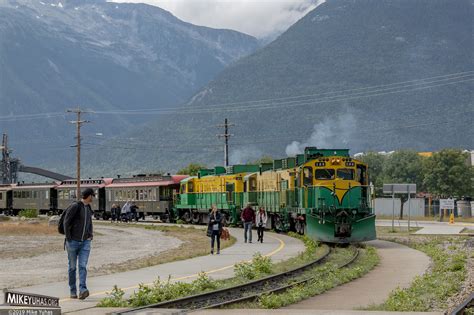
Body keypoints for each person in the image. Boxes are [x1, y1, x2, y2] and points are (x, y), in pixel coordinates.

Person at [63, 188, 95, 300]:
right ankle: (73, 291)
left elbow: (89, 222)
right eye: (92, 196)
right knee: (72, 267)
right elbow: (66, 222)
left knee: (82, 266)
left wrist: (90, 234)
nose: (93, 198)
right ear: (89, 196)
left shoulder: (88, 208)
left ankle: (83, 290)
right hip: (73, 242)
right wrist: (68, 238)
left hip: (85, 242)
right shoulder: (75, 206)